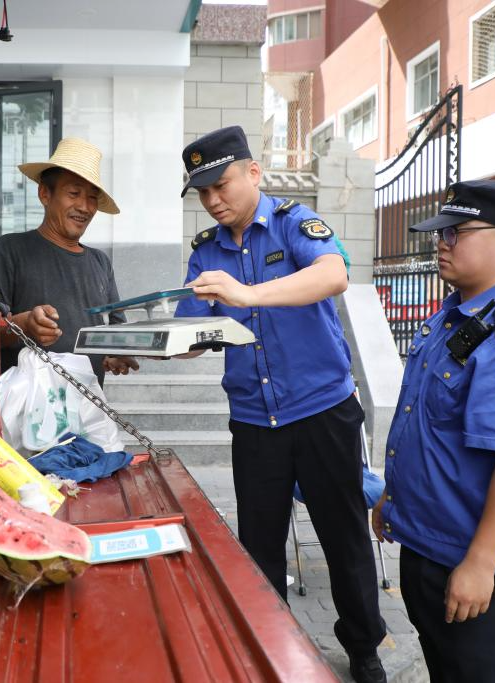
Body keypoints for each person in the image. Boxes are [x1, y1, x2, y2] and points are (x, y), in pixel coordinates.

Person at [175, 126, 387, 683]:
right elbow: (188, 334)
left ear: (253, 172)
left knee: (344, 540)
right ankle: (275, 648)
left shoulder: (296, 224)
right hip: (254, 423)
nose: (214, 201)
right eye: (203, 193)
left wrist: (247, 295)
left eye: (221, 185)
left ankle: (364, 648)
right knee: (260, 547)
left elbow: (334, 274)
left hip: (323, 412)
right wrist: (161, 343)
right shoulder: (206, 253)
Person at [371, 180, 495, 682]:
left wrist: (481, 564)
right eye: (441, 232)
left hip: (475, 561)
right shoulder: (457, 315)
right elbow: (428, 427)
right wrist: (393, 500)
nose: (442, 242)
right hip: (430, 544)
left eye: (457, 232)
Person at [0, 137, 139, 387]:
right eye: (73, 193)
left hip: (88, 408)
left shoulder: (100, 262)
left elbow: (115, 329)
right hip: (26, 411)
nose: (84, 206)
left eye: (92, 197)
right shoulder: (9, 250)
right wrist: (23, 324)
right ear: (45, 193)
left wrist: (115, 353)